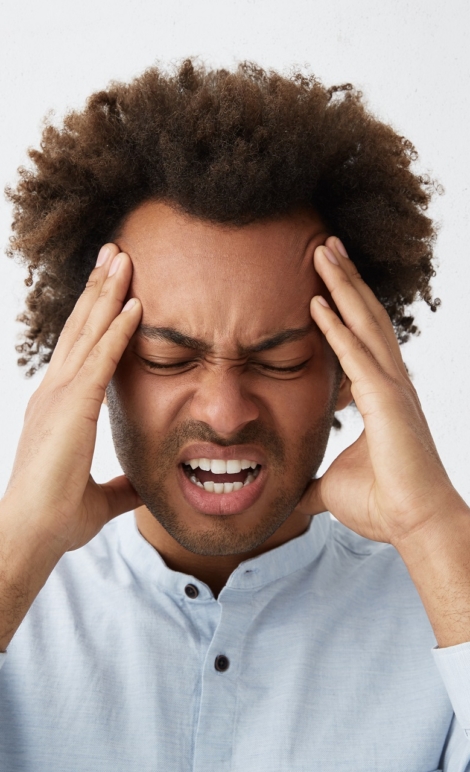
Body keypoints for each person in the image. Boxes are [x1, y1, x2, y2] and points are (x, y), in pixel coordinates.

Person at [0, 59, 469, 771]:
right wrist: (16, 550)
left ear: (351, 375)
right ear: (92, 367)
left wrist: (438, 533)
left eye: (280, 361)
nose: (224, 413)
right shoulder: (18, 600)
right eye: (167, 357)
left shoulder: (446, 614)